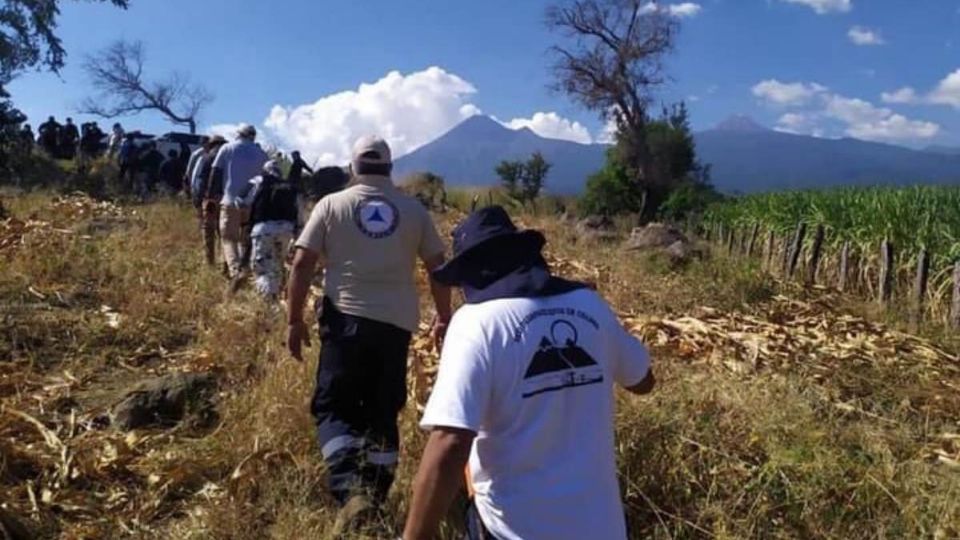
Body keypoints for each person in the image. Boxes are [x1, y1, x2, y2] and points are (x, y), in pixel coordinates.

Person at [402, 206, 656, 540]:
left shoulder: (476, 322)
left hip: (514, 529)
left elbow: (450, 441)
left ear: (472, 274)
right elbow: (643, 381)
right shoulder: (590, 305)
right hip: (601, 528)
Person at [286, 135, 451, 534]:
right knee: (382, 410)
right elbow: (437, 265)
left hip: (346, 323)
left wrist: (294, 320)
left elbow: (303, 262)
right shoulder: (413, 210)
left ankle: (350, 490)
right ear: (390, 168)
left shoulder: (332, 204)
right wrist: (445, 316)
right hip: (396, 327)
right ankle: (374, 496)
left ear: (352, 168)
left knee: (335, 406)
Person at [208, 123, 268, 281]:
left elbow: (216, 172)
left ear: (238, 134)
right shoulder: (262, 154)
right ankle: (242, 269)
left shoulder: (227, 148)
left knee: (228, 238)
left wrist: (209, 196)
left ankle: (236, 272)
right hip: (253, 204)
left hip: (230, 201)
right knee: (245, 239)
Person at [240, 160, 299, 300]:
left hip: (263, 229)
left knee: (263, 269)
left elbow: (240, 200)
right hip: (287, 230)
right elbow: (299, 210)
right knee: (278, 265)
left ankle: (268, 305)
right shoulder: (290, 186)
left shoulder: (259, 180)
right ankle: (280, 297)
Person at [196, 136, 228, 267]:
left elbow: (201, 180)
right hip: (226, 199)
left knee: (208, 231)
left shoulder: (207, 158)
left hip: (211, 199)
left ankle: (209, 261)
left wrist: (199, 199)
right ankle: (224, 261)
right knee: (224, 232)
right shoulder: (228, 158)